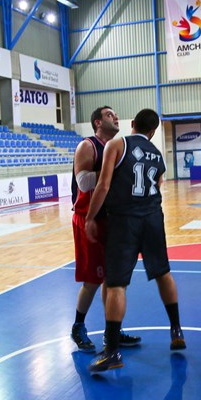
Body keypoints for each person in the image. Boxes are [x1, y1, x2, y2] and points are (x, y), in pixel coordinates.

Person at [85, 108, 185, 372]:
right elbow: (158, 185)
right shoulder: (158, 154)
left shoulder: (117, 144)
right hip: (153, 218)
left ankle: (112, 352)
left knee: (116, 284)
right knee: (163, 273)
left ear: (132, 123)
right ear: (152, 132)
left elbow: (103, 185)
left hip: (124, 221)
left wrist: (90, 217)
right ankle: (176, 330)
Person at [69, 106, 141, 353]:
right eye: (110, 115)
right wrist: (112, 169)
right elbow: (83, 182)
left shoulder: (115, 146)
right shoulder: (87, 146)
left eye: (116, 114)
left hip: (110, 219)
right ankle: (78, 326)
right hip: (88, 219)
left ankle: (112, 331)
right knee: (92, 279)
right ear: (98, 122)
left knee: (112, 279)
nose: (116, 117)